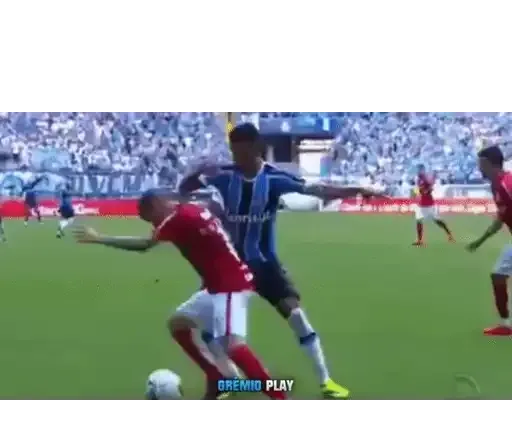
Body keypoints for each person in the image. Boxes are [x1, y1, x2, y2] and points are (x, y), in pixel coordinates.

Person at [179, 123, 383, 399]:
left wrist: (357, 188)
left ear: (255, 148)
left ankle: (326, 381)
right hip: (229, 268)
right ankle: (230, 381)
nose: (236, 158)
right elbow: (185, 189)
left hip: (265, 265)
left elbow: (319, 189)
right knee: (210, 330)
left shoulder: (274, 178)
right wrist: (196, 171)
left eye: (240, 152)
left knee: (297, 316)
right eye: (233, 152)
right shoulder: (224, 175)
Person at [73, 189, 288, 400]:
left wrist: (100, 238)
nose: (153, 225)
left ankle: (278, 395)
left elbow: (144, 245)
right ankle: (216, 376)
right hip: (216, 287)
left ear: (156, 205)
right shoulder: (191, 209)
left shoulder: (175, 220)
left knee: (235, 347)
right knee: (178, 323)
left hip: (231, 287)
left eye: (150, 218)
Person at [467, 146, 512, 336]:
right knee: (498, 275)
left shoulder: (508, 182)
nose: (479, 169)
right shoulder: (496, 186)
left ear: (488, 163)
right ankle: (505, 325)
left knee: (498, 275)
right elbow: (500, 219)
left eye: (481, 164)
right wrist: (480, 241)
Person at [412, 165, 454, 246]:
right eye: (417, 169)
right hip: (421, 204)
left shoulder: (426, 178)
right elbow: (418, 190)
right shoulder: (418, 179)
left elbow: (430, 188)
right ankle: (420, 240)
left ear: (423, 170)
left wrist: (425, 191)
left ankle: (449, 234)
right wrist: (418, 193)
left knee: (437, 221)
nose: (418, 171)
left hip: (429, 204)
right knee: (419, 221)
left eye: (419, 169)